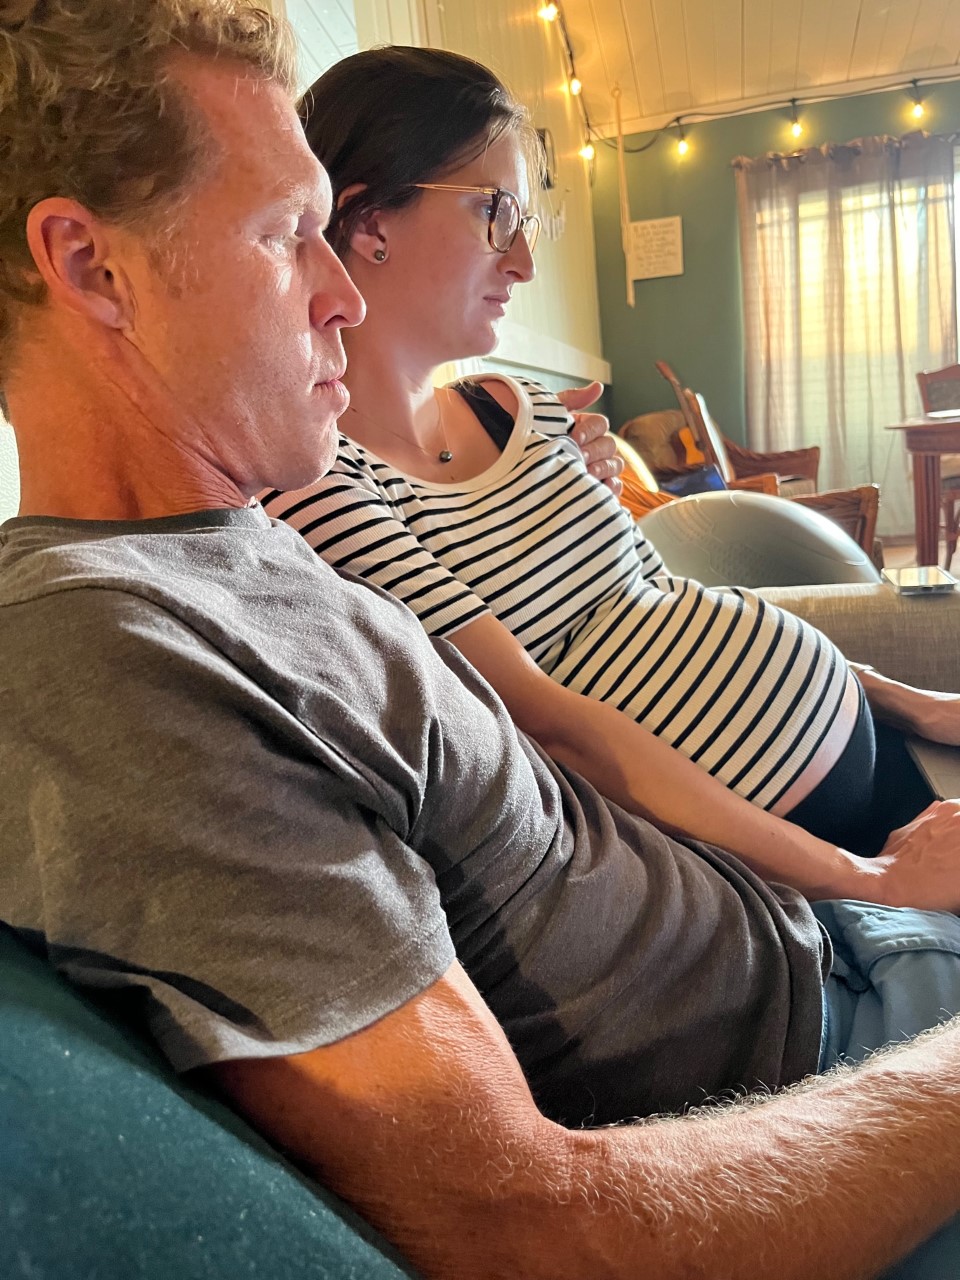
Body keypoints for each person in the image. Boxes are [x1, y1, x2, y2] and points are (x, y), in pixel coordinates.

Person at [4, 4, 960, 1278]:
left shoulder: (239, 546)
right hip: (827, 1054)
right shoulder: (115, 655)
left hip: (827, 948)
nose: (342, 293)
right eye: (287, 233)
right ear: (91, 267)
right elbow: (521, 1223)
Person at [262, 46, 959, 880]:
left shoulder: (517, 405)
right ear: (370, 221)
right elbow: (550, 730)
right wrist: (873, 881)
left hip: (880, 750)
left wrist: (916, 704)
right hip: (797, 855)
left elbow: (666, 598)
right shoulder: (322, 483)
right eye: (496, 214)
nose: (522, 262)